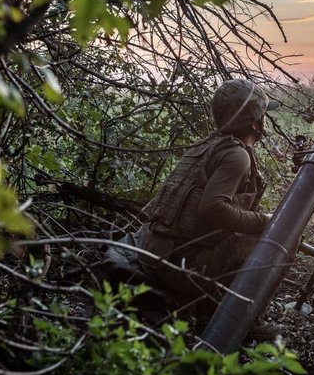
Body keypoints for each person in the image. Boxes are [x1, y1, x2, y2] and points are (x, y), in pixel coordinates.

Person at [99, 78, 279, 332]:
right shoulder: (236, 156)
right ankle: (238, 323)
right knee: (276, 243)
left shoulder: (207, 145)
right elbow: (213, 210)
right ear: (254, 123)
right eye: (262, 117)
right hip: (177, 264)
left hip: (154, 249)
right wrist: (265, 221)